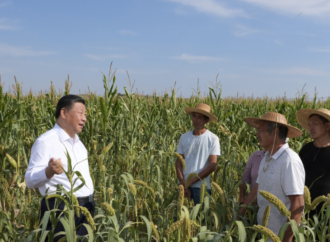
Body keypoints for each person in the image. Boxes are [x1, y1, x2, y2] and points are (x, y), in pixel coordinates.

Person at [25, 95, 94, 241]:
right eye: (80, 113)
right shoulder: (46, 141)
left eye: (85, 114)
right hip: (60, 209)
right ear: (64, 113)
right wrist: (48, 171)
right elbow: (30, 180)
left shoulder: (79, 144)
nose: (84, 119)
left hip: (86, 208)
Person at [240, 112, 305, 242]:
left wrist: (285, 239)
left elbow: (298, 205)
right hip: (264, 234)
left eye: (260, 130)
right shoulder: (266, 157)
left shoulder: (289, 161)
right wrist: (239, 213)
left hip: (279, 237)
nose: (257, 135)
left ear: (275, 132)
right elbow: (257, 190)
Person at [175, 103, 220, 205]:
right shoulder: (184, 137)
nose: (195, 120)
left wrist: (192, 181)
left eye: (199, 117)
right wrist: (182, 182)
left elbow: (212, 165)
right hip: (183, 187)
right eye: (194, 116)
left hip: (201, 187)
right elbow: (178, 162)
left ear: (206, 120)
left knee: (201, 219)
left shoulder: (213, 139)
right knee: (180, 218)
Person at [296, 108, 330, 216]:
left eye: (315, 124)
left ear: (327, 126)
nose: (311, 128)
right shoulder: (305, 149)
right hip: (304, 209)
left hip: (326, 211)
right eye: (309, 124)